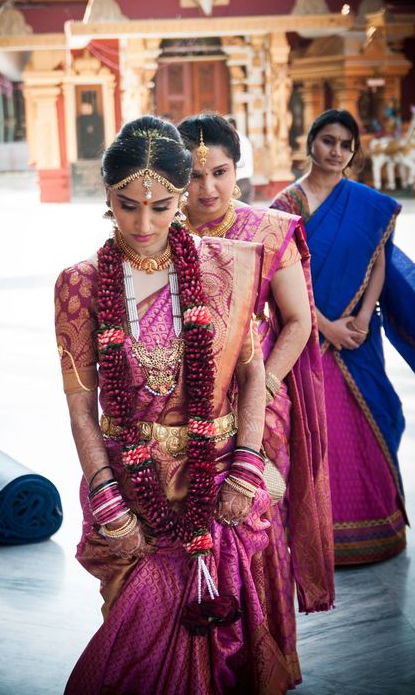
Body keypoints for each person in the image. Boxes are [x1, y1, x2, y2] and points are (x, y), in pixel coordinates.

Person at [55, 115, 297, 694]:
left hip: (216, 480)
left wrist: (245, 464)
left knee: (222, 638)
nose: (143, 223)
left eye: (161, 206)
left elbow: (252, 367)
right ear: (107, 196)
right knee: (136, 640)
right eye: (126, 204)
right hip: (130, 485)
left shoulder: (226, 264)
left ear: (181, 196)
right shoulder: (80, 282)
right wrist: (106, 494)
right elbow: (81, 405)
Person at [177, 113, 334, 689]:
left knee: (253, 531)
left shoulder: (268, 231)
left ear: (236, 170)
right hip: (180, 412)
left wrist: (260, 387)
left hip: (258, 405)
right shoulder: (157, 235)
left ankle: (261, 662)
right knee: (188, 532)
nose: (208, 188)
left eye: (219, 172)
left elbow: (295, 323)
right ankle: (195, 665)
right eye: (193, 176)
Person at [271, 108, 414, 565]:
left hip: (358, 335)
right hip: (308, 337)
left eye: (346, 145)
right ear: (311, 141)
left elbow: (379, 262)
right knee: (320, 431)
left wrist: (365, 318)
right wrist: (327, 326)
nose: (337, 151)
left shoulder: (367, 204)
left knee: (379, 414)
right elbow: (279, 282)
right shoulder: (286, 207)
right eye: (329, 140)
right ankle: (318, 537)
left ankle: (380, 526)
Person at [227, 116, 255, 203]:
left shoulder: (232, 140)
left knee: (235, 213)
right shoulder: (245, 139)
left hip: (238, 182)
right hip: (247, 181)